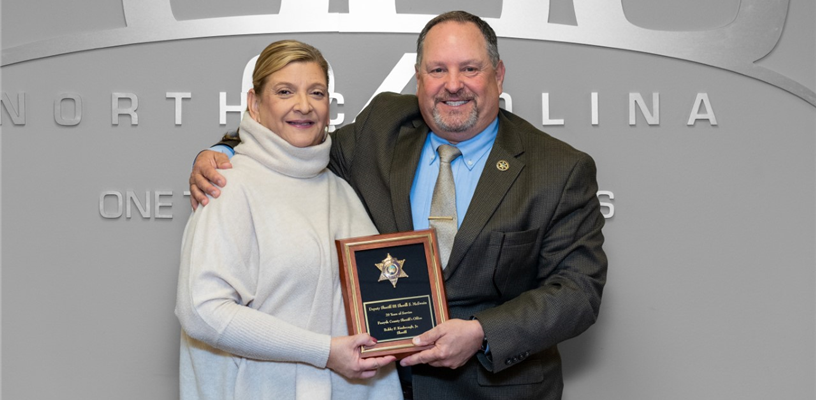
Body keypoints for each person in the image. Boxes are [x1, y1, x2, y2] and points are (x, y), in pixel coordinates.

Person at [190, 11, 607, 400]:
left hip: (497, 389)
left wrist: (482, 332)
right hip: (380, 386)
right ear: (418, 77)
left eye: (470, 68)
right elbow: (300, 141)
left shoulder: (558, 169)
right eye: (437, 70)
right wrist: (225, 150)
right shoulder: (382, 128)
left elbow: (577, 291)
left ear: (497, 75)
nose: (453, 84)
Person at [175, 40, 402, 400]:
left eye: (317, 92)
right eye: (285, 91)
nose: (304, 105)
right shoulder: (227, 186)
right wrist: (324, 351)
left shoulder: (341, 191)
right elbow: (202, 311)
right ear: (254, 104)